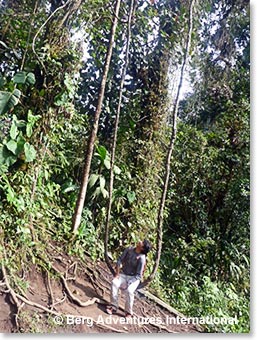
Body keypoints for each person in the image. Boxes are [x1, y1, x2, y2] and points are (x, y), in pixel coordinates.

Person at [106, 239, 152, 318]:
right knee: (114, 282)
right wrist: (117, 272)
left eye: (142, 243)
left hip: (134, 278)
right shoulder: (129, 249)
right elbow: (120, 259)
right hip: (123, 274)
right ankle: (113, 306)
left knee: (130, 291)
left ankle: (128, 312)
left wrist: (129, 282)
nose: (140, 241)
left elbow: (138, 275)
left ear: (142, 248)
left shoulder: (142, 258)